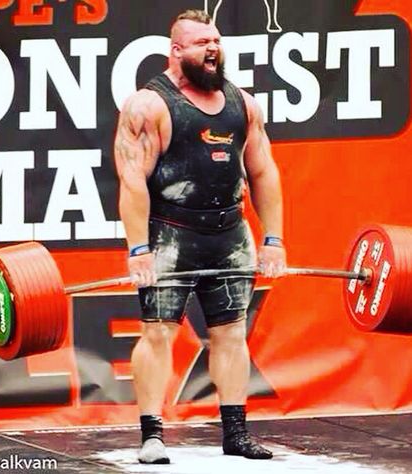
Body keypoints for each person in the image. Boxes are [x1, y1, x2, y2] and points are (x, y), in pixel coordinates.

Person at [114, 9, 286, 464]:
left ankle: (236, 433)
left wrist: (274, 239)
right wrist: (138, 249)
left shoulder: (243, 103)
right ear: (176, 51)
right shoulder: (148, 106)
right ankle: (152, 434)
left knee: (231, 334)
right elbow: (132, 181)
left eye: (216, 41)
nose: (213, 49)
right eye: (201, 43)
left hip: (230, 234)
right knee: (158, 334)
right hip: (170, 236)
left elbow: (263, 171)